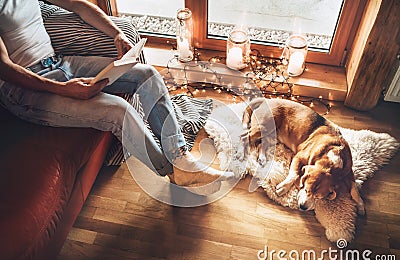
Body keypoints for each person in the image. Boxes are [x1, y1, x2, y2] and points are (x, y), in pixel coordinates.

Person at [0, 0, 234, 195]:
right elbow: (4, 68)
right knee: (118, 111)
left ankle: (181, 158)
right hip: (26, 92)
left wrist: (116, 34)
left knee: (147, 74)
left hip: (58, 63)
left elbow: (76, 4)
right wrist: (64, 89)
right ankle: (173, 172)